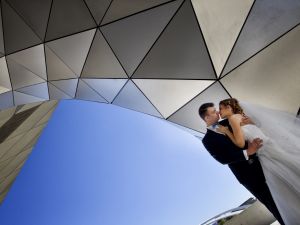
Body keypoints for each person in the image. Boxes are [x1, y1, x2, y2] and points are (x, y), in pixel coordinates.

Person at [216, 98, 300, 224]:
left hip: (264, 153)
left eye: (221, 108)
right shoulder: (243, 116)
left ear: (229, 107)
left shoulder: (233, 119)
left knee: (282, 189)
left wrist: (227, 131)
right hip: (271, 146)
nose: (219, 111)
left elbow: (239, 143)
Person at [199, 102, 285, 224]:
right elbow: (222, 159)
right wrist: (247, 152)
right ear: (206, 117)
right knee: (274, 205)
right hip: (249, 176)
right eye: (213, 112)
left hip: (264, 162)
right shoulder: (207, 140)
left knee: (286, 192)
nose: (218, 112)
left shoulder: (229, 121)